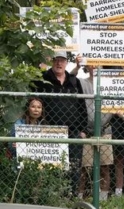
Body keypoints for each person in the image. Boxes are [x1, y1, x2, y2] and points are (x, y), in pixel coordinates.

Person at [32, 50, 87, 195]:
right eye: (56, 60)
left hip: (73, 131)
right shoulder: (43, 79)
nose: (59, 63)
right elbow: (33, 102)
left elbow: (82, 106)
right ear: (52, 61)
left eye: (62, 60)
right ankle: (53, 198)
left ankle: (71, 197)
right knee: (52, 168)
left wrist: (83, 129)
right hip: (50, 131)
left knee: (74, 168)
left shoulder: (74, 81)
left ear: (66, 63)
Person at [77, 65, 114, 201]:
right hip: (86, 132)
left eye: (98, 64)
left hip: (105, 130)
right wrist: (76, 66)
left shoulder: (111, 83)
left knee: (105, 167)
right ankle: (80, 198)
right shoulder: (82, 82)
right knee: (84, 168)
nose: (95, 67)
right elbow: (67, 76)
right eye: (92, 63)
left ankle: (103, 200)